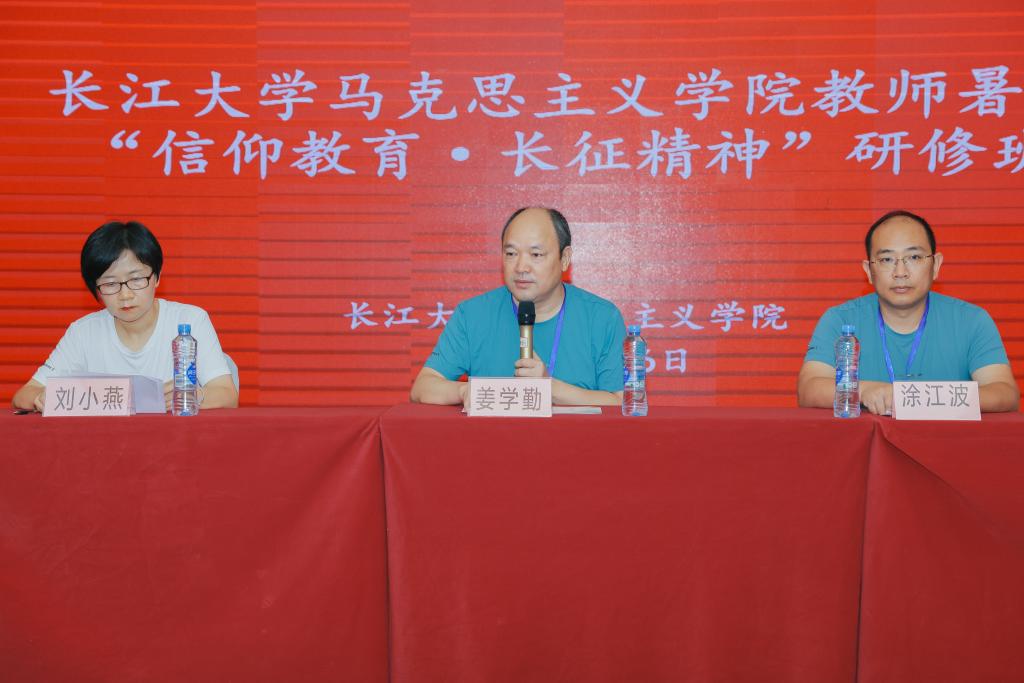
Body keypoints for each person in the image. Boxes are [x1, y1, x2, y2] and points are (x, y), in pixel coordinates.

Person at [798, 210, 1019, 414]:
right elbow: (809, 388)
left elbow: (1004, 392)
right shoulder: (840, 320)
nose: (900, 272)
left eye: (914, 257)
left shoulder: (971, 321)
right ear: (869, 271)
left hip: (947, 442)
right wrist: (863, 390)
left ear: (936, 265)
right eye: (886, 259)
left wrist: (922, 398)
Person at [12, 221, 239, 412]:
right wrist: (42, 397)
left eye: (137, 279)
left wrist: (193, 396)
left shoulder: (190, 320)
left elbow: (227, 394)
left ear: (157, 277)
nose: (125, 295)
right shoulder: (83, 332)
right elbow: (24, 395)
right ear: (96, 290)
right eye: (110, 284)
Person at [411, 207, 626, 406]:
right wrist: (467, 391)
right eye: (511, 254)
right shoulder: (473, 315)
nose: (521, 267)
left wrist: (551, 390)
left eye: (536, 255)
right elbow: (422, 387)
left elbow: (621, 401)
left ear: (564, 258)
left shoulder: (602, 318)